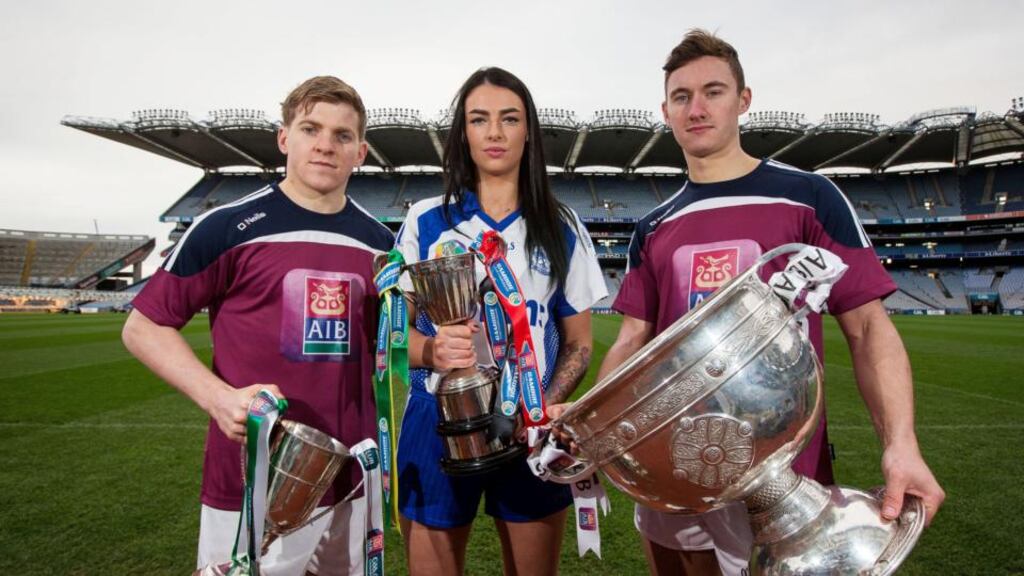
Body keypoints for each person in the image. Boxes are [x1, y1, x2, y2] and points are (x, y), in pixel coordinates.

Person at [554, 30, 946, 575]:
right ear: (665, 111)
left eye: (713, 91)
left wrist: (900, 445)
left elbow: (868, 330)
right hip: (673, 469)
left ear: (743, 101)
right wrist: (590, 419)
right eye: (681, 96)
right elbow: (631, 341)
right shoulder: (653, 226)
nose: (697, 108)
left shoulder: (809, 196)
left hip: (782, 472)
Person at [122, 76, 394, 576]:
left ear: (360, 152)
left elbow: (385, 346)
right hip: (251, 480)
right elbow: (143, 327)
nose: (325, 145)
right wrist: (218, 398)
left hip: (351, 482)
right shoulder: (226, 227)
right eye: (311, 128)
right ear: (284, 138)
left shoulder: (380, 244)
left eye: (342, 135)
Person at [395, 67, 606, 575]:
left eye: (509, 119)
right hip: (437, 416)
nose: (494, 132)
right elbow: (396, 337)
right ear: (462, 132)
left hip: (529, 429)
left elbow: (579, 343)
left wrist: (540, 407)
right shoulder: (425, 219)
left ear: (528, 131)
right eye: (479, 119)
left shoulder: (562, 225)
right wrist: (433, 352)